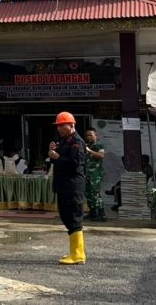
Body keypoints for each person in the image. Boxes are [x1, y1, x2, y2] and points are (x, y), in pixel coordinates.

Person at [48, 111, 87, 265]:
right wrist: (54, 152)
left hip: (73, 186)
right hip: (64, 185)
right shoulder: (64, 141)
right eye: (58, 126)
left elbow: (75, 164)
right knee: (66, 216)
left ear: (71, 125)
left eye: (62, 125)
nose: (59, 128)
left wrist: (58, 157)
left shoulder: (77, 142)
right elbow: (59, 162)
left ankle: (78, 255)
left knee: (74, 218)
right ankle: (74, 252)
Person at [84, 129, 106, 222]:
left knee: (95, 193)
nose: (88, 137)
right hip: (87, 174)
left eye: (91, 135)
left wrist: (89, 151)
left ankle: (101, 214)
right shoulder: (87, 146)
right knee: (88, 193)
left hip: (96, 174)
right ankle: (92, 212)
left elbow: (101, 155)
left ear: (96, 136)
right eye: (87, 135)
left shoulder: (99, 145)